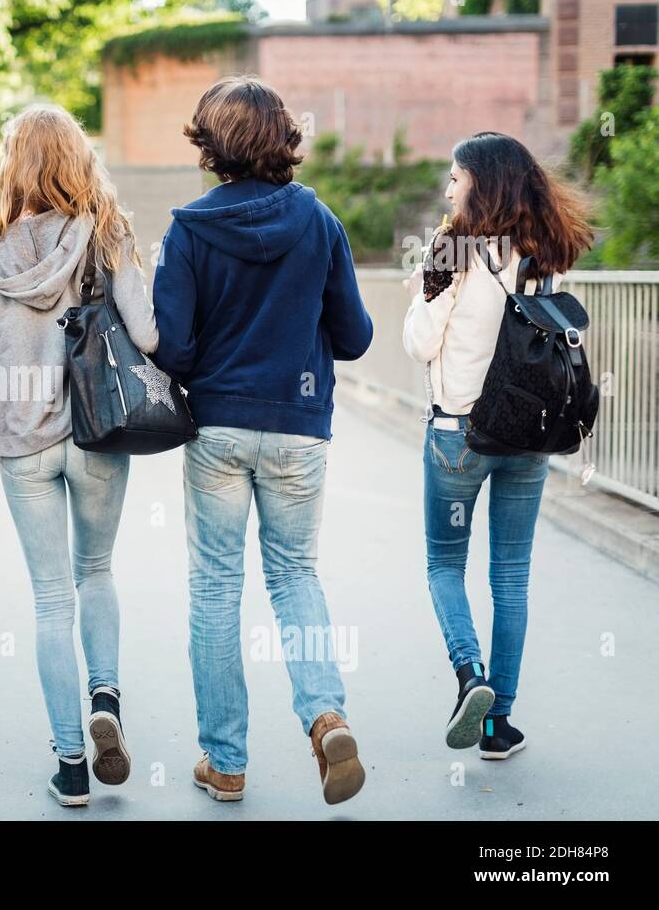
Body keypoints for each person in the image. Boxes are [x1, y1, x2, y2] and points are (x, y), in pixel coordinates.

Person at [152, 76, 373, 805]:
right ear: (284, 137)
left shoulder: (187, 229)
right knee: (295, 576)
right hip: (299, 431)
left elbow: (174, 350)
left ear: (209, 144)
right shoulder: (319, 221)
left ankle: (226, 761)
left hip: (216, 427)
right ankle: (325, 714)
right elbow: (356, 337)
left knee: (216, 588)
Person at [0, 104, 157, 806]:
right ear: (78, 158)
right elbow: (149, 337)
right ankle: (107, 697)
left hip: (23, 441)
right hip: (97, 431)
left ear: (11, 166)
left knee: (48, 601)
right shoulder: (109, 232)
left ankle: (71, 765)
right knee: (95, 570)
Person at [403, 131, 593, 760]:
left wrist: (421, 293)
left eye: (456, 178)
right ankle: (496, 725)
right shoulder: (546, 248)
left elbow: (420, 345)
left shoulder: (452, 247)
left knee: (443, 566)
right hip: (527, 435)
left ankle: (469, 677)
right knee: (511, 575)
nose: (448, 189)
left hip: (458, 435)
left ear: (481, 181)